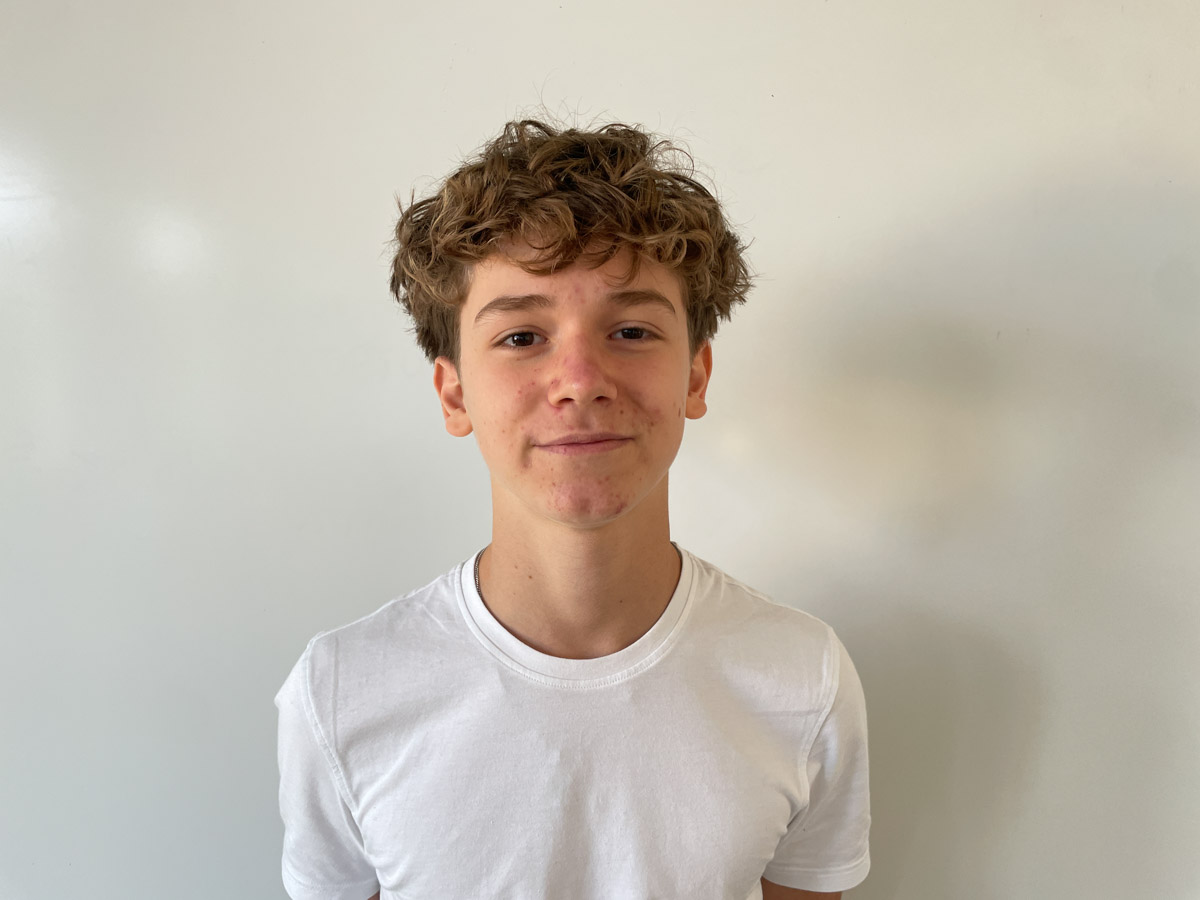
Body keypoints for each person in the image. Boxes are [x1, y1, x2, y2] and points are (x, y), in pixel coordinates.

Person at [275, 118, 870, 900]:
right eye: (523, 336)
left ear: (696, 377)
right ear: (454, 394)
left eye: (631, 330)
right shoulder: (342, 690)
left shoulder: (803, 676)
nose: (580, 380)